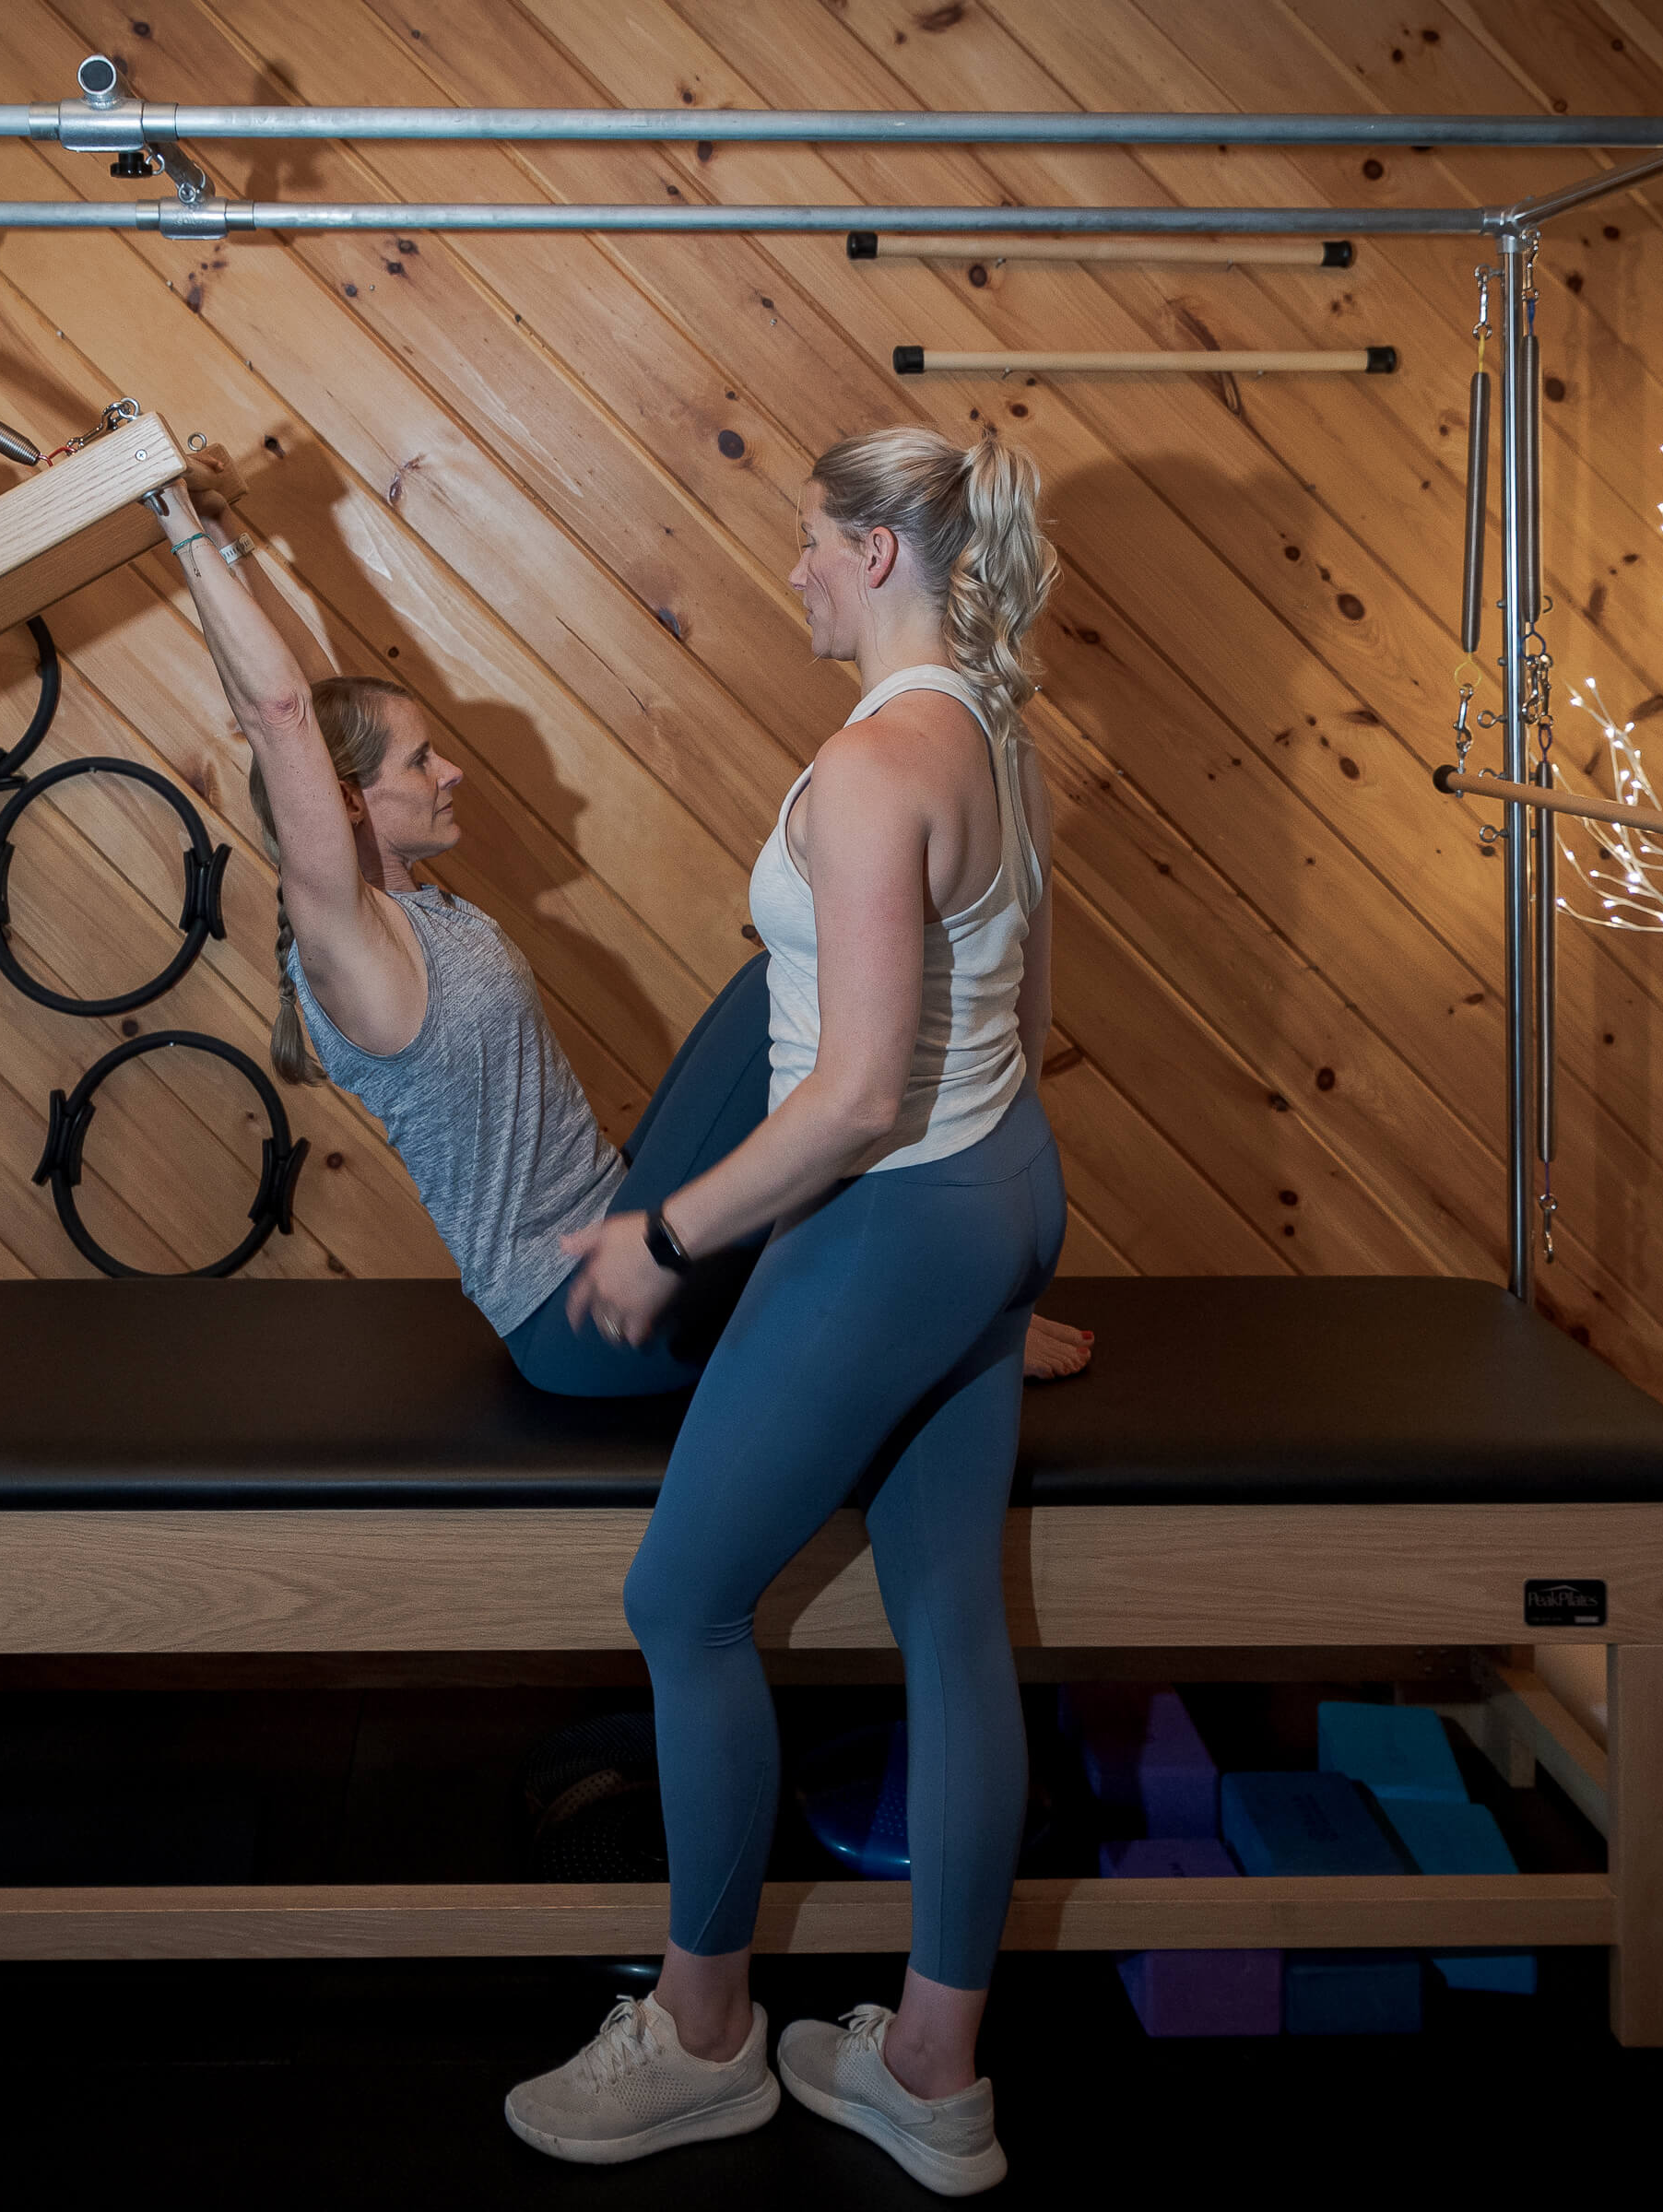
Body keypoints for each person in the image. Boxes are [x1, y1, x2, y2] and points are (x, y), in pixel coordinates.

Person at [500, 424, 1065, 2196]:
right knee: (949, 1618)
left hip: (895, 1217)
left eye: (813, 543)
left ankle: (704, 2036)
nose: (797, 569)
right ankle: (927, 2073)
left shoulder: (878, 762)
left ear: (883, 555)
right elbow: (1013, 1020)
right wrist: (991, 1256)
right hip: (995, 1193)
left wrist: (660, 1236)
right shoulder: (985, 726)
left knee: (681, 1599)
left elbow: (848, 1095)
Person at [145, 477, 1091, 1398]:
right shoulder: (350, 946)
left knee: (798, 987)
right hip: (582, 1314)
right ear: (350, 799)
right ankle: (956, 1303)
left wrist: (233, 537)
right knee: (794, 997)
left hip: (617, 1218)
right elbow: (283, 719)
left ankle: (946, 1281)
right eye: (422, 759)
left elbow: (313, 697)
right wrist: (173, 518)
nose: (452, 771)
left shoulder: (408, 905)